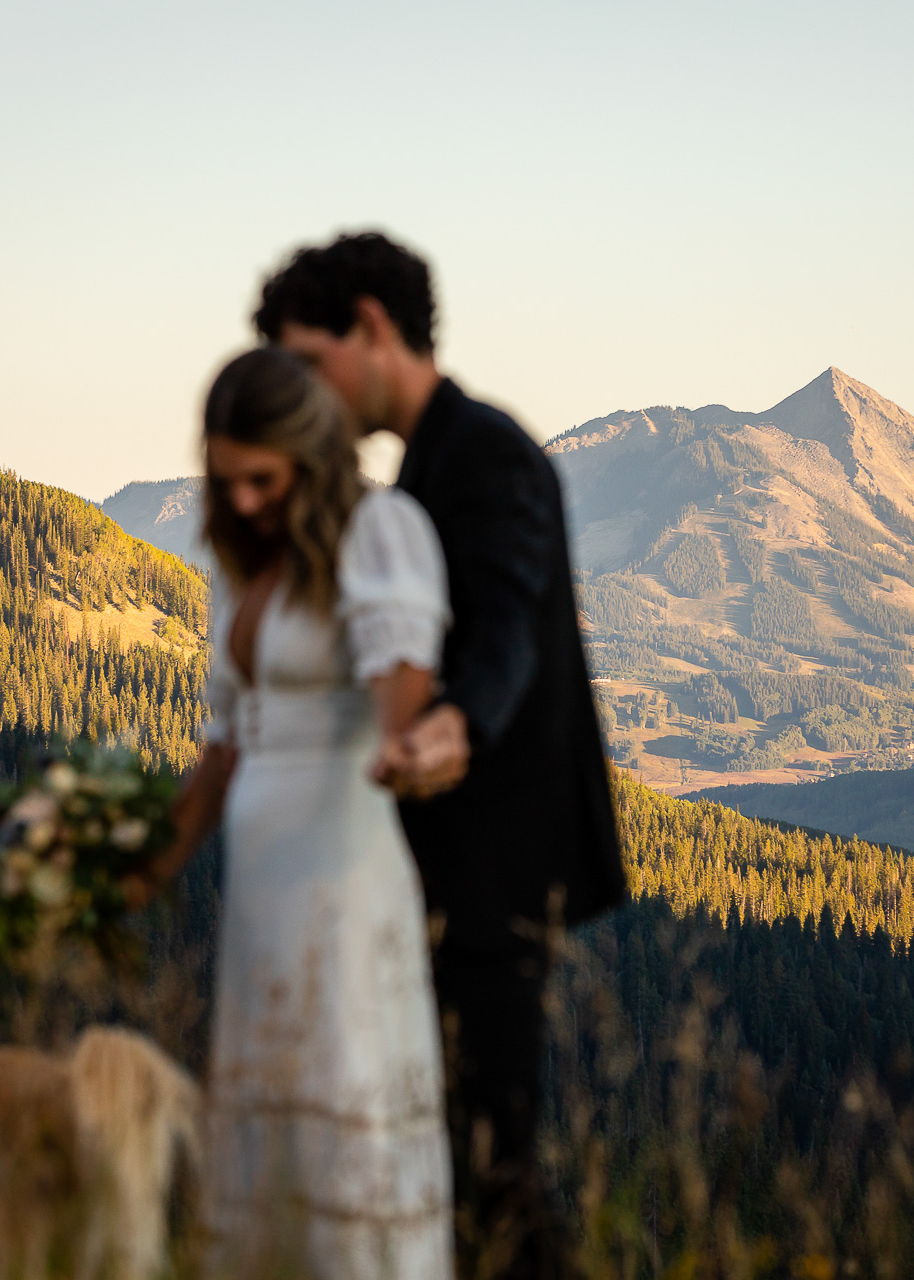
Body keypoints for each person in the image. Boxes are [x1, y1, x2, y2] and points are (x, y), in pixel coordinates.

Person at [255, 231, 627, 1278]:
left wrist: (457, 721)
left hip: (496, 870)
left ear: (372, 327)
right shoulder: (424, 464)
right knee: (460, 1163)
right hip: (450, 866)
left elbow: (508, 619)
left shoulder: (487, 452)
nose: (313, 398)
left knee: (490, 1168)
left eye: (313, 364)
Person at [132, 347, 454, 1279]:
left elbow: (401, 674)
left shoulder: (379, 530)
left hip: (343, 861)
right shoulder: (240, 564)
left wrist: (406, 743)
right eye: (224, 480)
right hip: (262, 880)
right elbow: (225, 744)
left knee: (341, 1088)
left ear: (310, 458)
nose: (238, 502)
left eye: (260, 480)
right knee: (267, 1104)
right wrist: (149, 864)